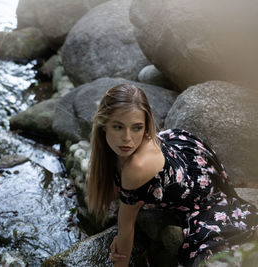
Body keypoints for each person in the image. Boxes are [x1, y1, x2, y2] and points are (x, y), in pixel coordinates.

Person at [86, 84, 258, 267]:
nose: (127, 138)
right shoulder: (116, 151)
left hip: (199, 186)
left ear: (146, 127)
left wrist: (120, 255)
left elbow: (126, 227)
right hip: (181, 148)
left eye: (136, 128)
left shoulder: (136, 167)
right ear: (104, 125)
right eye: (118, 127)